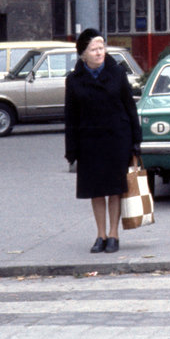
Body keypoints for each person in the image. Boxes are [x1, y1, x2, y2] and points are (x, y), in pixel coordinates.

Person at [63, 28, 141, 254]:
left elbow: (130, 108)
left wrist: (136, 141)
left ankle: (114, 235)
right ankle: (100, 235)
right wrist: (72, 150)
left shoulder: (117, 73)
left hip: (117, 139)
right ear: (83, 54)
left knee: (114, 189)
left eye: (102, 48)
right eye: (94, 49)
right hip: (89, 142)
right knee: (96, 190)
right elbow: (70, 117)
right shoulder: (74, 80)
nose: (99, 53)